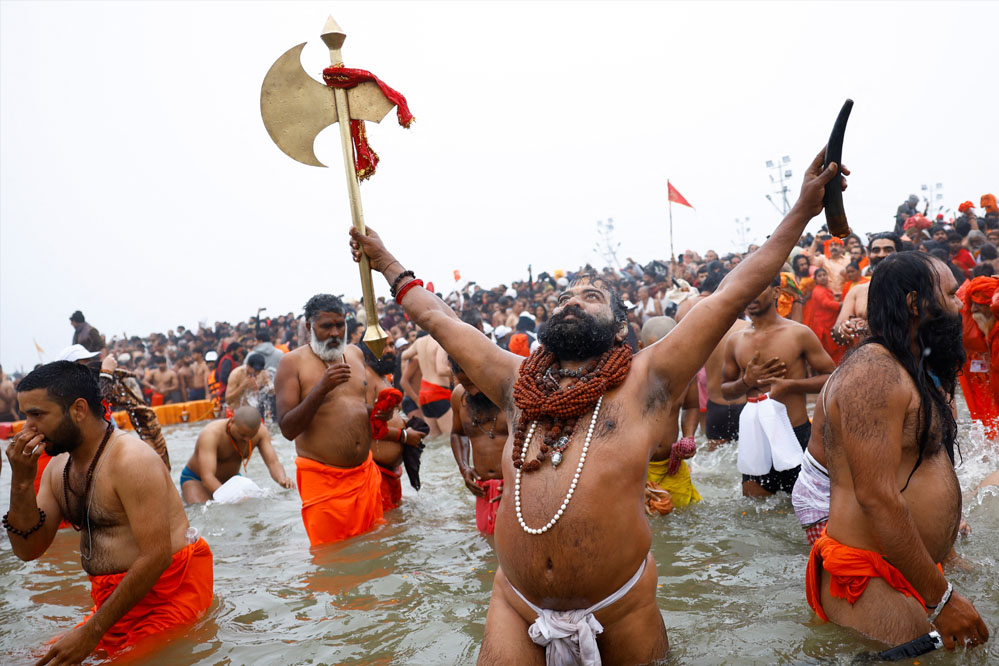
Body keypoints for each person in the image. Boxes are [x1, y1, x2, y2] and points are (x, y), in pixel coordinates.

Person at [350, 146, 846, 664]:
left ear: (619, 328)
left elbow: (731, 292)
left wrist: (802, 210)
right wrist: (385, 262)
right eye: (566, 297)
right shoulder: (515, 381)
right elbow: (438, 318)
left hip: (621, 606)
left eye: (591, 297)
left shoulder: (647, 379)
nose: (572, 301)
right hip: (516, 604)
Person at [805, 252, 990, 651]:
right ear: (914, 303)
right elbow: (876, 497)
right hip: (870, 577)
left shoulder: (909, 369)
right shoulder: (874, 373)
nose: (958, 305)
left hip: (911, 566)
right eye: (949, 294)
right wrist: (942, 599)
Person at [4, 362, 213, 661]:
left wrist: (92, 631)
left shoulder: (132, 460)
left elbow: (156, 558)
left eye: (37, 415)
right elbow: (28, 550)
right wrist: (22, 482)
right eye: (25, 416)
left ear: (78, 410)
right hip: (113, 605)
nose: (27, 428)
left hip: (168, 600)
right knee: (30, 659)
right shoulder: (56, 469)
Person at [275, 294, 385, 546]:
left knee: (376, 553)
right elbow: (288, 429)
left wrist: (379, 412)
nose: (335, 333)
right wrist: (321, 388)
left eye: (340, 325)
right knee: (332, 561)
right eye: (326, 326)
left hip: (365, 475)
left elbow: (354, 407)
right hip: (323, 483)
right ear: (309, 327)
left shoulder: (355, 354)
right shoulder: (291, 363)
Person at [721, 274, 835, 496]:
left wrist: (790, 385)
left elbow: (833, 377)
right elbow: (725, 391)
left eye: (758, 289)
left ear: (776, 293)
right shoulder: (735, 340)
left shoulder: (798, 333)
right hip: (756, 439)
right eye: (747, 290)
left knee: (805, 507)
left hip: (795, 433)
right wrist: (746, 382)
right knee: (754, 512)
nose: (751, 296)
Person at [641, 317, 701, 512]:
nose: (661, 355)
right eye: (654, 348)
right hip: (638, 468)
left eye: (668, 348)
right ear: (641, 347)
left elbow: (691, 406)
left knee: (684, 514)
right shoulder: (630, 376)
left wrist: (689, 436)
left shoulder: (686, 374)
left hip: (671, 465)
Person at [179, 406, 293, 503]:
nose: (247, 439)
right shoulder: (211, 434)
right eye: (242, 435)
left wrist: (282, 479)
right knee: (203, 509)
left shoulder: (261, 432)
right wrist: (230, 497)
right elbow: (207, 477)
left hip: (231, 481)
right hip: (196, 480)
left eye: (251, 436)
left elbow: (273, 463)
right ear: (231, 421)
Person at [361, 342, 426, 511]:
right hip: (376, 474)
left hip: (391, 473)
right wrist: (404, 436)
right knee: (385, 525)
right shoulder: (366, 377)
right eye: (383, 345)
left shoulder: (383, 377)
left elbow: (388, 418)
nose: (390, 350)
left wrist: (407, 425)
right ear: (367, 352)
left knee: (398, 522)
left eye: (391, 344)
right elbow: (364, 425)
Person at [450, 356, 509, 535]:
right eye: (466, 385)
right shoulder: (459, 396)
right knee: (487, 543)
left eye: (476, 383)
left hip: (515, 488)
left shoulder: (511, 393)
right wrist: (464, 467)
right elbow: (458, 433)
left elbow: (535, 441)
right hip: (483, 490)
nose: (473, 391)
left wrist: (518, 484)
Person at [831, 232, 901, 350]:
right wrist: (845, 329)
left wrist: (870, 327)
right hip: (866, 356)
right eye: (876, 250)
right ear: (869, 254)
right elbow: (837, 330)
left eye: (888, 250)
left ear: (900, 253)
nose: (881, 255)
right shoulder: (857, 291)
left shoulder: (911, 287)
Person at [956, 276, 999, 438]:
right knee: (982, 414)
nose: (974, 309)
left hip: (985, 362)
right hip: (974, 366)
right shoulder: (964, 321)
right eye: (973, 305)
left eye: (980, 304)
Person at [408, 331, 453, 437]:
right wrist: (460, 371)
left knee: (434, 439)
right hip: (438, 391)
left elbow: (404, 356)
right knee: (449, 437)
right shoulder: (440, 342)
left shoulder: (419, 342)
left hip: (424, 393)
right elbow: (441, 370)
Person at [804, 269, 842, 364]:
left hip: (828, 322)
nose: (823, 277)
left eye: (824, 275)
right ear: (815, 280)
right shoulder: (818, 290)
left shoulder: (825, 289)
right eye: (819, 276)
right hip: (823, 325)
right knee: (830, 348)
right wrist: (841, 304)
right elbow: (826, 303)